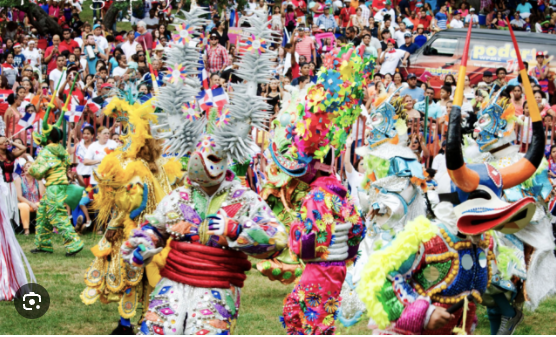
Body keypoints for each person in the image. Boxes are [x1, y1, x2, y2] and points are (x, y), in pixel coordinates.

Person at [28, 107, 84, 256]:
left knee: (57, 215)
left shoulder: (46, 151)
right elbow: (66, 165)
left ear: (48, 138)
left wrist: (32, 171)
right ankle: (43, 244)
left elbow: (37, 171)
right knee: (43, 214)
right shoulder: (62, 150)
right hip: (59, 186)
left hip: (53, 187)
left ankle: (73, 243)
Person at [0, 135, 27, 229]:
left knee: (10, 207)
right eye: (2, 142)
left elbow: (24, 148)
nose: (5, 143)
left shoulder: (10, 155)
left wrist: (12, 142)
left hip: (10, 185)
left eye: (6, 142)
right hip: (1, 186)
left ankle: (9, 228)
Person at [14, 161, 45, 235]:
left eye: (29, 166)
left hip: (35, 204)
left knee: (41, 204)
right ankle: (26, 230)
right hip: (22, 203)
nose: (26, 168)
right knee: (25, 206)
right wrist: (31, 203)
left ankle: (39, 229)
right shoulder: (19, 179)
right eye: (25, 166)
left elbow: (42, 194)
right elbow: (19, 197)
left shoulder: (37, 180)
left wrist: (40, 179)